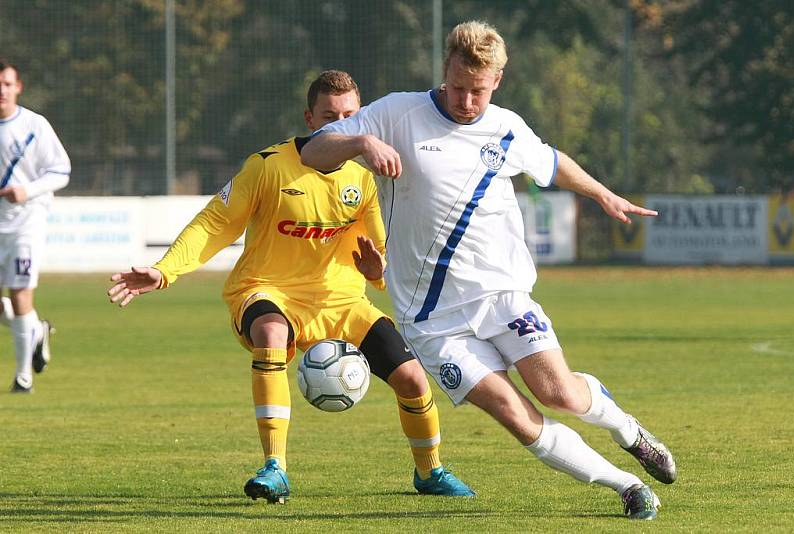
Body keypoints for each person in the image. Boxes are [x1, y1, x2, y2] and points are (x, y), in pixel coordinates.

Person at [300, 22, 676, 520]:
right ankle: (626, 486)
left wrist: (601, 193)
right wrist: (361, 145)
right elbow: (312, 148)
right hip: (430, 319)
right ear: (445, 71)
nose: (466, 101)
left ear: (497, 80)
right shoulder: (395, 113)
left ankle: (627, 430)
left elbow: (552, 162)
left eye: (477, 90)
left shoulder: (506, 127)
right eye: (457, 87)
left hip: (503, 295)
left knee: (558, 393)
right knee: (514, 414)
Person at [107, 70, 473, 503]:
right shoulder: (267, 166)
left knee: (412, 378)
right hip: (266, 290)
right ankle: (275, 466)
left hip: (340, 300)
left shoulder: (363, 181)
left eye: (350, 115)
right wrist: (165, 270)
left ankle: (430, 472)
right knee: (271, 334)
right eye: (329, 115)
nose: (340, 123)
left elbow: (377, 260)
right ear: (309, 118)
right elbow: (215, 224)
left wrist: (377, 267)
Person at [0, 60, 66, 393]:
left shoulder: (33, 125)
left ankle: (23, 375)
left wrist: (26, 190)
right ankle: (36, 331)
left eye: (7, 84)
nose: (1, 90)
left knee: (20, 292)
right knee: (11, 304)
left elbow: (61, 171)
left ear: (18, 87)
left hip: (25, 223)